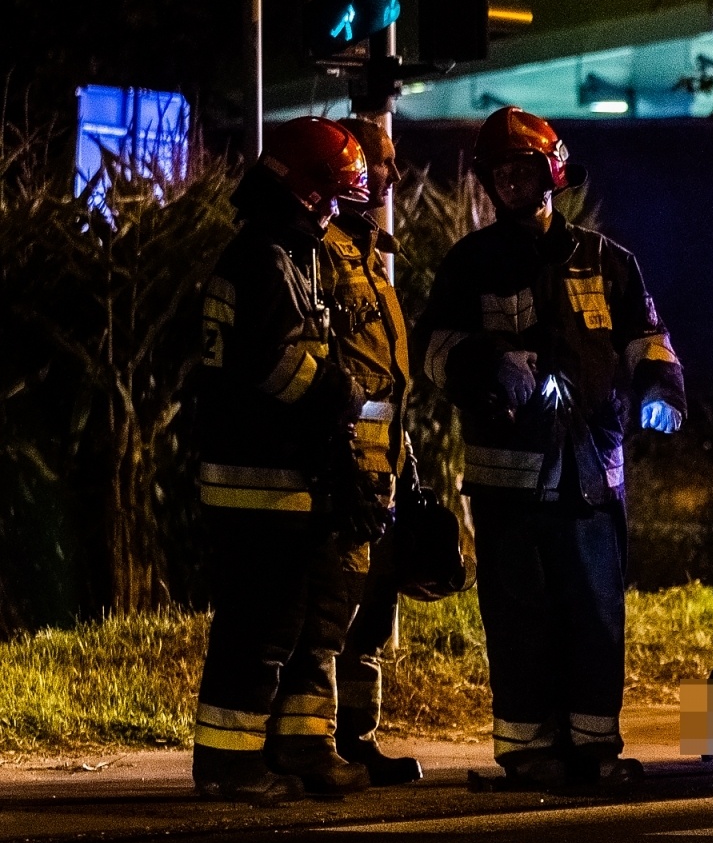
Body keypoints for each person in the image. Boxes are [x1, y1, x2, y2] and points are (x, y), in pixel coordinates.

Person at [414, 107, 685, 791]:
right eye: (499, 171)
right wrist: (486, 363)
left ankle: (595, 747)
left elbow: (649, 342)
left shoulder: (607, 260)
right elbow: (432, 354)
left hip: (592, 477)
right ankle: (528, 749)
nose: (509, 181)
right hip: (509, 483)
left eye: (522, 168)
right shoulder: (471, 263)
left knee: (595, 613)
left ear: (551, 171)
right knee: (519, 616)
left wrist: (662, 390)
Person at [192, 116, 389, 803]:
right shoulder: (267, 258)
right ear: (305, 190)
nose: (334, 210)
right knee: (259, 629)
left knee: (282, 622)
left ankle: (264, 756)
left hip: (268, 477)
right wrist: (345, 391)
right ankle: (230, 765)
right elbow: (281, 366)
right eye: (330, 195)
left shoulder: (267, 251)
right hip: (263, 479)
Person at [269, 115, 424, 788]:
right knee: (329, 610)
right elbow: (322, 365)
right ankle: (308, 744)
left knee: (371, 611)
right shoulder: (319, 251)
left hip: (381, 457)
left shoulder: (367, 250)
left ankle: (357, 738)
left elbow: (384, 372)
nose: (390, 174)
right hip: (341, 460)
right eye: (380, 161)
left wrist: (403, 458)